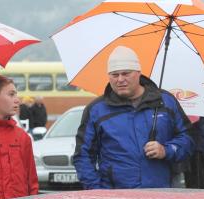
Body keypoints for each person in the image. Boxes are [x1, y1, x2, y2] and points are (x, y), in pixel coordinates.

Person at [73, 46, 192, 189]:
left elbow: (188, 139)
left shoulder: (166, 101)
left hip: (161, 194)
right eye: (114, 75)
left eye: (126, 73)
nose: (120, 80)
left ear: (138, 73)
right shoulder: (96, 110)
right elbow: (83, 156)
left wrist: (166, 150)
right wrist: (97, 191)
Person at [184, 116, 204, 189]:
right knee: (189, 176)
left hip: (197, 144)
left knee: (197, 179)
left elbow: (193, 119)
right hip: (190, 142)